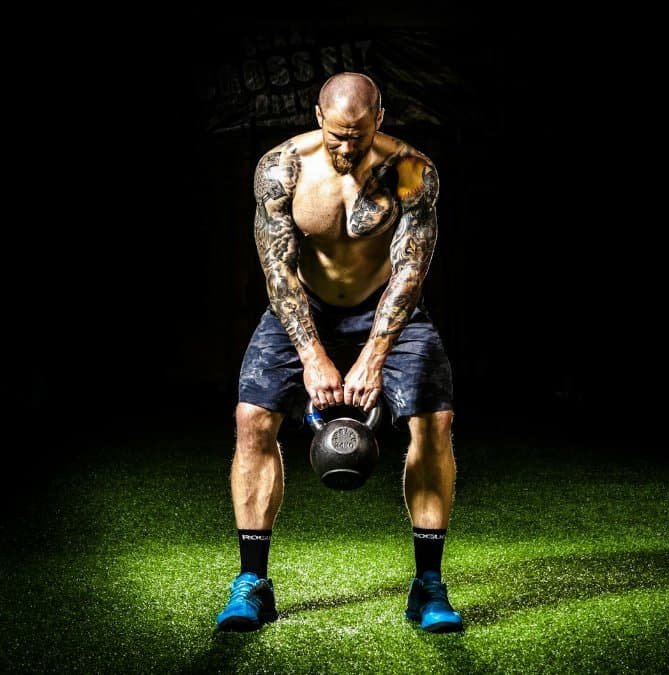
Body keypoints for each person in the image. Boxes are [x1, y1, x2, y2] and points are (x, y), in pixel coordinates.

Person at [215, 72, 461, 633]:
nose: (347, 148)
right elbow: (277, 270)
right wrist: (312, 355)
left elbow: (410, 271)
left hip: (386, 308)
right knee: (253, 419)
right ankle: (252, 582)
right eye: (337, 135)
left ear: (380, 118)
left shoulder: (409, 172)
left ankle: (427, 586)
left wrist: (374, 355)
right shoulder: (283, 168)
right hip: (304, 307)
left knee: (435, 421)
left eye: (358, 135)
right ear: (318, 117)